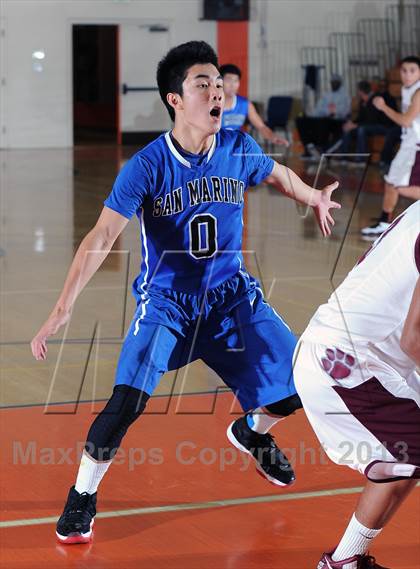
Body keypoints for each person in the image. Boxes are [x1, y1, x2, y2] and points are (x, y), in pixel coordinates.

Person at [30, 41, 340, 545]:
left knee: (299, 384)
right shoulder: (148, 165)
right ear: (175, 99)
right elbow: (102, 236)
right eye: (204, 85)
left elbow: (275, 173)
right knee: (126, 403)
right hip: (168, 305)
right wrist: (61, 309)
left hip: (232, 298)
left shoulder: (238, 147)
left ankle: (252, 433)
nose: (218, 93)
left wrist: (311, 195)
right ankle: (83, 495)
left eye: (220, 85)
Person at [294, 201, 420, 568]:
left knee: (402, 457)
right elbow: (414, 338)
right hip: (347, 361)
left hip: (369, 357)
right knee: (409, 452)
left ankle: (345, 560)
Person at [361, 56, 420, 236]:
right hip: (408, 143)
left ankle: (385, 222)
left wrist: (384, 107)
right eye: (404, 70)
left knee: (399, 187)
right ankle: (385, 222)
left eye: (412, 71)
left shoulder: (418, 92)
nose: (407, 75)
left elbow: (405, 121)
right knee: (391, 182)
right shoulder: (407, 89)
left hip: (416, 146)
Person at [220, 63, 288, 145]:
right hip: (216, 149)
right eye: (229, 80)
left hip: (235, 147)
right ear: (220, 82)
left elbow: (261, 127)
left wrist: (273, 137)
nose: (233, 85)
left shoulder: (245, 104)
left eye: (236, 80)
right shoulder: (211, 104)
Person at [336, 80, 397, 165]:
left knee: (361, 129)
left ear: (360, 91)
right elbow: (360, 118)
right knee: (347, 129)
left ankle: (360, 159)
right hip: (368, 125)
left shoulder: (375, 99)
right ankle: (343, 157)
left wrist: (356, 125)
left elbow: (373, 120)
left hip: (382, 126)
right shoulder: (362, 101)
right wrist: (351, 123)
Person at [296, 73, 351, 158]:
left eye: (336, 82)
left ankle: (321, 149)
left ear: (340, 83)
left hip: (337, 120)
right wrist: (312, 115)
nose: (333, 84)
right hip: (324, 117)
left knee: (322, 123)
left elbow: (345, 111)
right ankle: (309, 146)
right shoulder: (327, 95)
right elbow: (319, 109)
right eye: (332, 82)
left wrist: (332, 112)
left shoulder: (345, 96)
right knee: (301, 120)